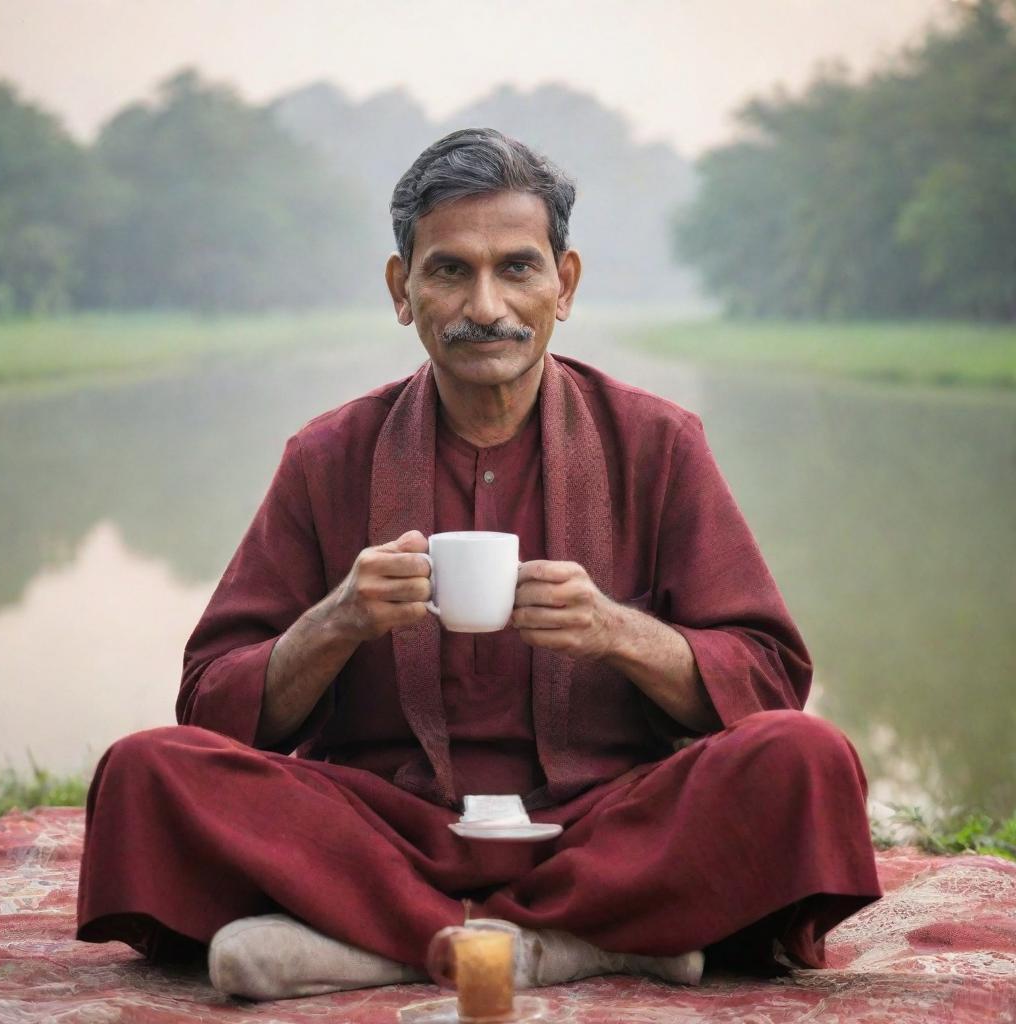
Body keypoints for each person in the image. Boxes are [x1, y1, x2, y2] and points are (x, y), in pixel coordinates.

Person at [76, 128, 881, 1001]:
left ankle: (375, 944)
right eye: (450, 269)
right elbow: (210, 706)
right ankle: (589, 941)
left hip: (600, 822)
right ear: (402, 289)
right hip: (383, 824)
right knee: (143, 772)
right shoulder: (327, 455)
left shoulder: (658, 443)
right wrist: (337, 618)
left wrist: (617, 631)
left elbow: (767, 684)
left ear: (563, 286)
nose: (485, 305)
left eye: (518, 269)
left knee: (805, 758)